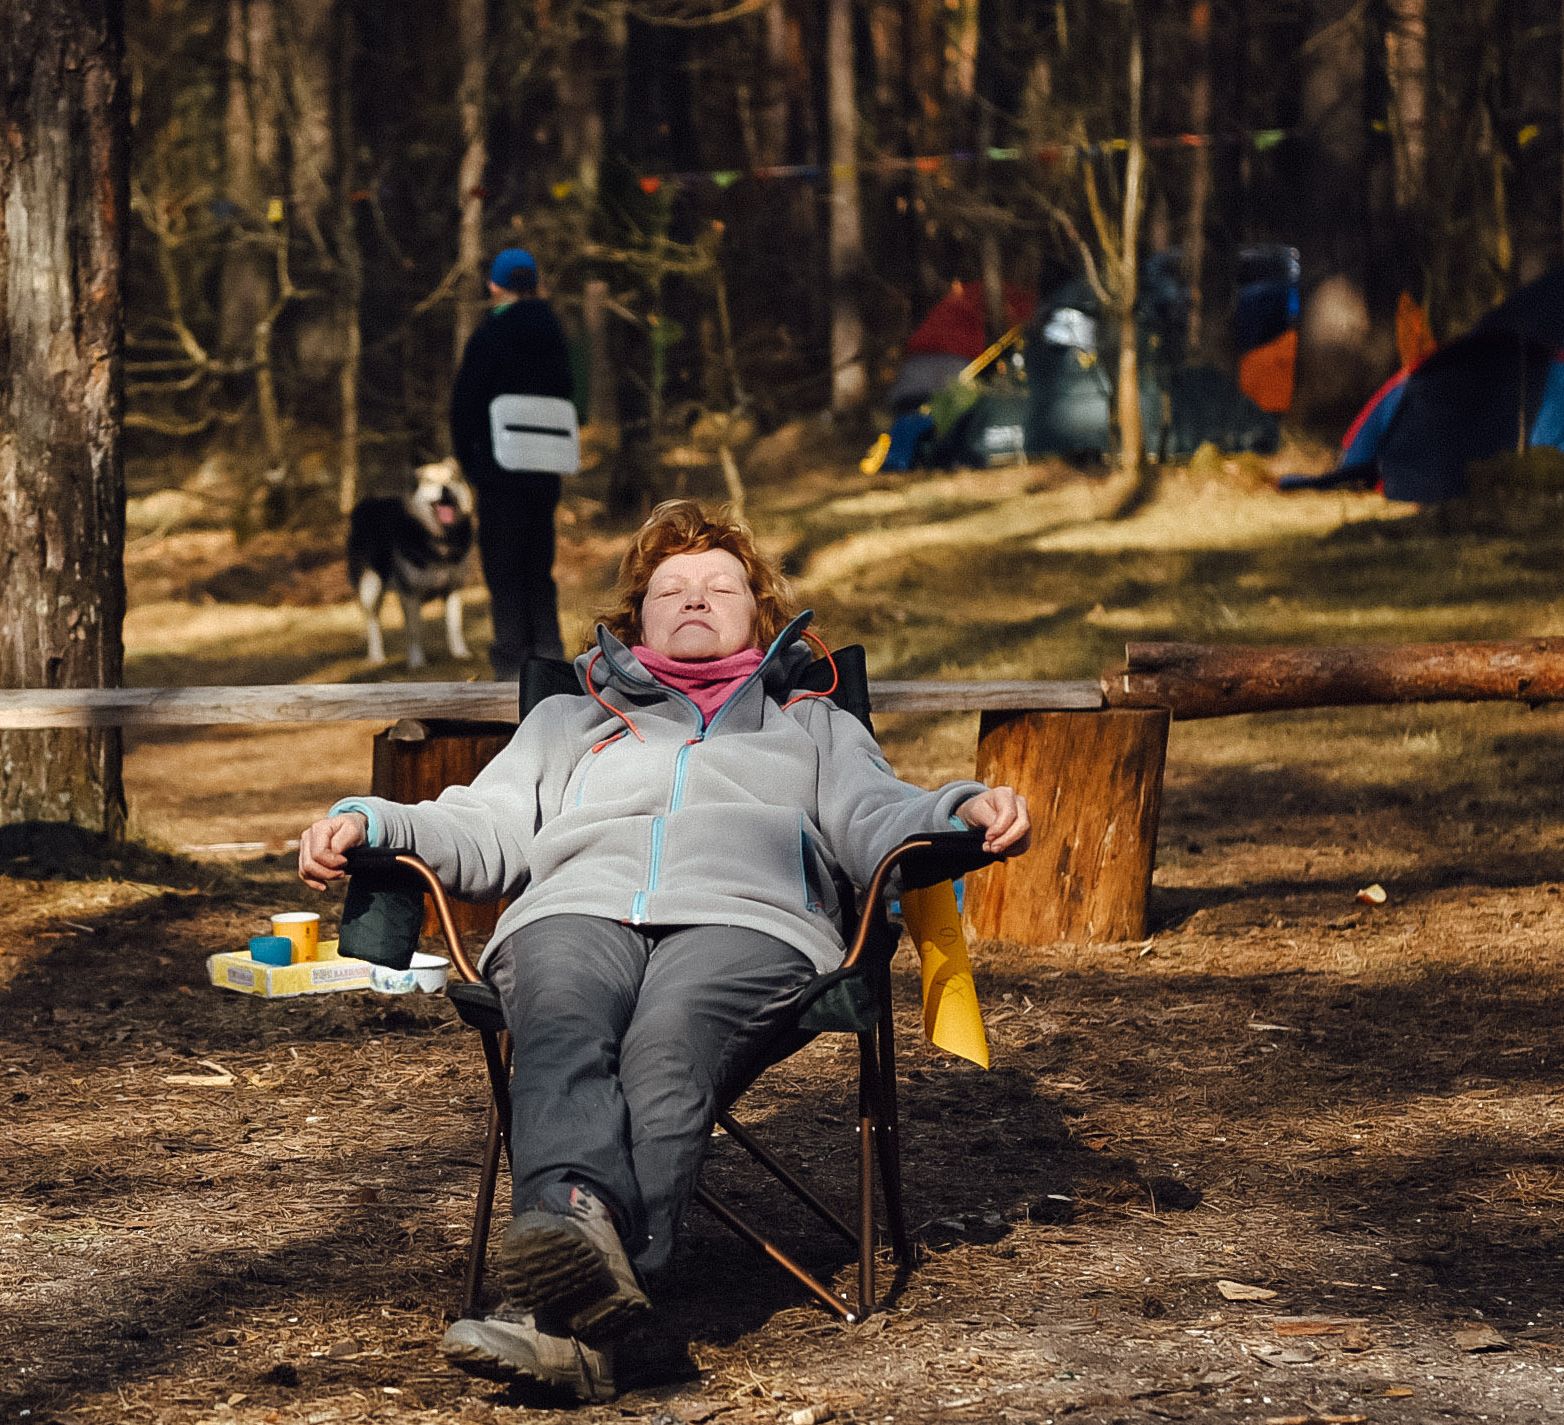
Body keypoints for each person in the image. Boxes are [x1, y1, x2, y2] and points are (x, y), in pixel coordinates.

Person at [297, 500, 1033, 1401]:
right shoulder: (568, 719)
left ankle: (558, 1300)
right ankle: (584, 1290)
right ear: (634, 618)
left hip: (747, 918)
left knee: (668, 1042)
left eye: (720, 584)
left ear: (758, 614)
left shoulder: (810, 722)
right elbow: (483, 825)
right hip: (573, 908)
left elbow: (875, 813)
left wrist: (957, 808)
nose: (694, 597)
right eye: (670, 587)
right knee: (562, 1020)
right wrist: (371, 820)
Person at [449, 247, 576, 678]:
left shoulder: (488, 337)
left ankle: (512, 668)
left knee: (504, 569)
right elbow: (569, 394)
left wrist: (473, 466)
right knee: (538, 567)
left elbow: (464, 408)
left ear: (494, 286)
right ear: (535, 283)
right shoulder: (554, 334)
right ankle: (550, 660)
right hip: (544, 471)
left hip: (499, 473)